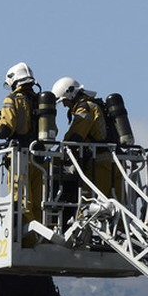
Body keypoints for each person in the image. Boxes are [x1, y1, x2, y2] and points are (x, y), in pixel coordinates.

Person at [0, 62, 44, 223]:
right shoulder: (40, 100)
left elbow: (6, 129)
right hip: (40, 159)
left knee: (23, 204)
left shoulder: (11, 99)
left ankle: (29, 241)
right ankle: (41, 239)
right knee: (39, 205)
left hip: (20, 159)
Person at [49, 76, 113, 211]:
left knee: (88, 208)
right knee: (116, 209)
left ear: (71, 94)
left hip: (99, 166)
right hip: (112, 164)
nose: (65, 105)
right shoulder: (93, 106)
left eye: (65, 101)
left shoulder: (84, 109)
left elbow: (75, 137)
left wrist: (54, 158)